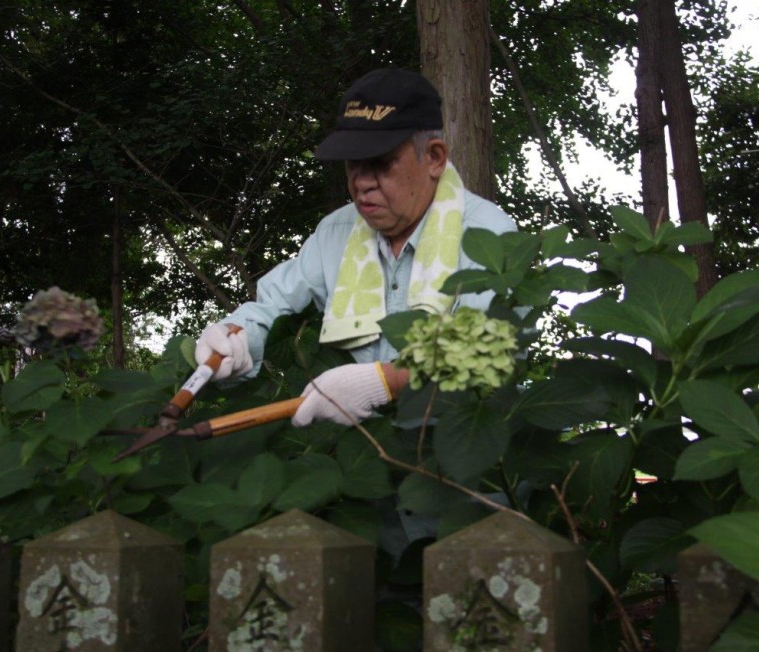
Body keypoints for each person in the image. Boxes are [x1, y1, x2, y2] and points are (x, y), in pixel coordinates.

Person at [195, 67, 517, 425]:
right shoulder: (336, 231)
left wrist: (387, 381)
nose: (362, 183)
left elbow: (493, 343)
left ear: (434, 158)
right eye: (353, 164)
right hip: (363, 452)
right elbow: (272, 307)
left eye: (380, 163)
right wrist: (234, 338)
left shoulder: (488, 233)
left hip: (459, 450)